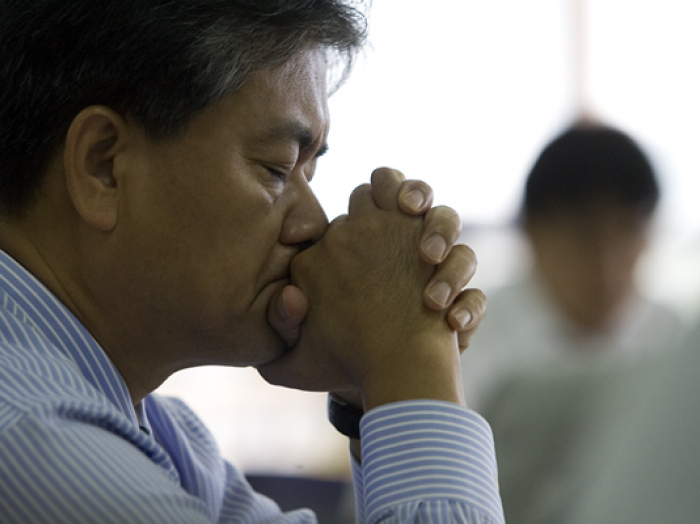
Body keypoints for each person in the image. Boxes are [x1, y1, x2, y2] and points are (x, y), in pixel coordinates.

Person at [0, 1, 503, 523]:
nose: (314, 223)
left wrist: (369, 392)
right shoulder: (38, 440)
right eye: (277, 169)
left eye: (309, 173)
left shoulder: (165, 438)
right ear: (103, 166)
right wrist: (408, 360)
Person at [459, 122, 684, 523]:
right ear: (533, 233)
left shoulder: (672, 335)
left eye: (628, 233)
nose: (607, 264)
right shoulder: (468, 334)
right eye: (584, 236)